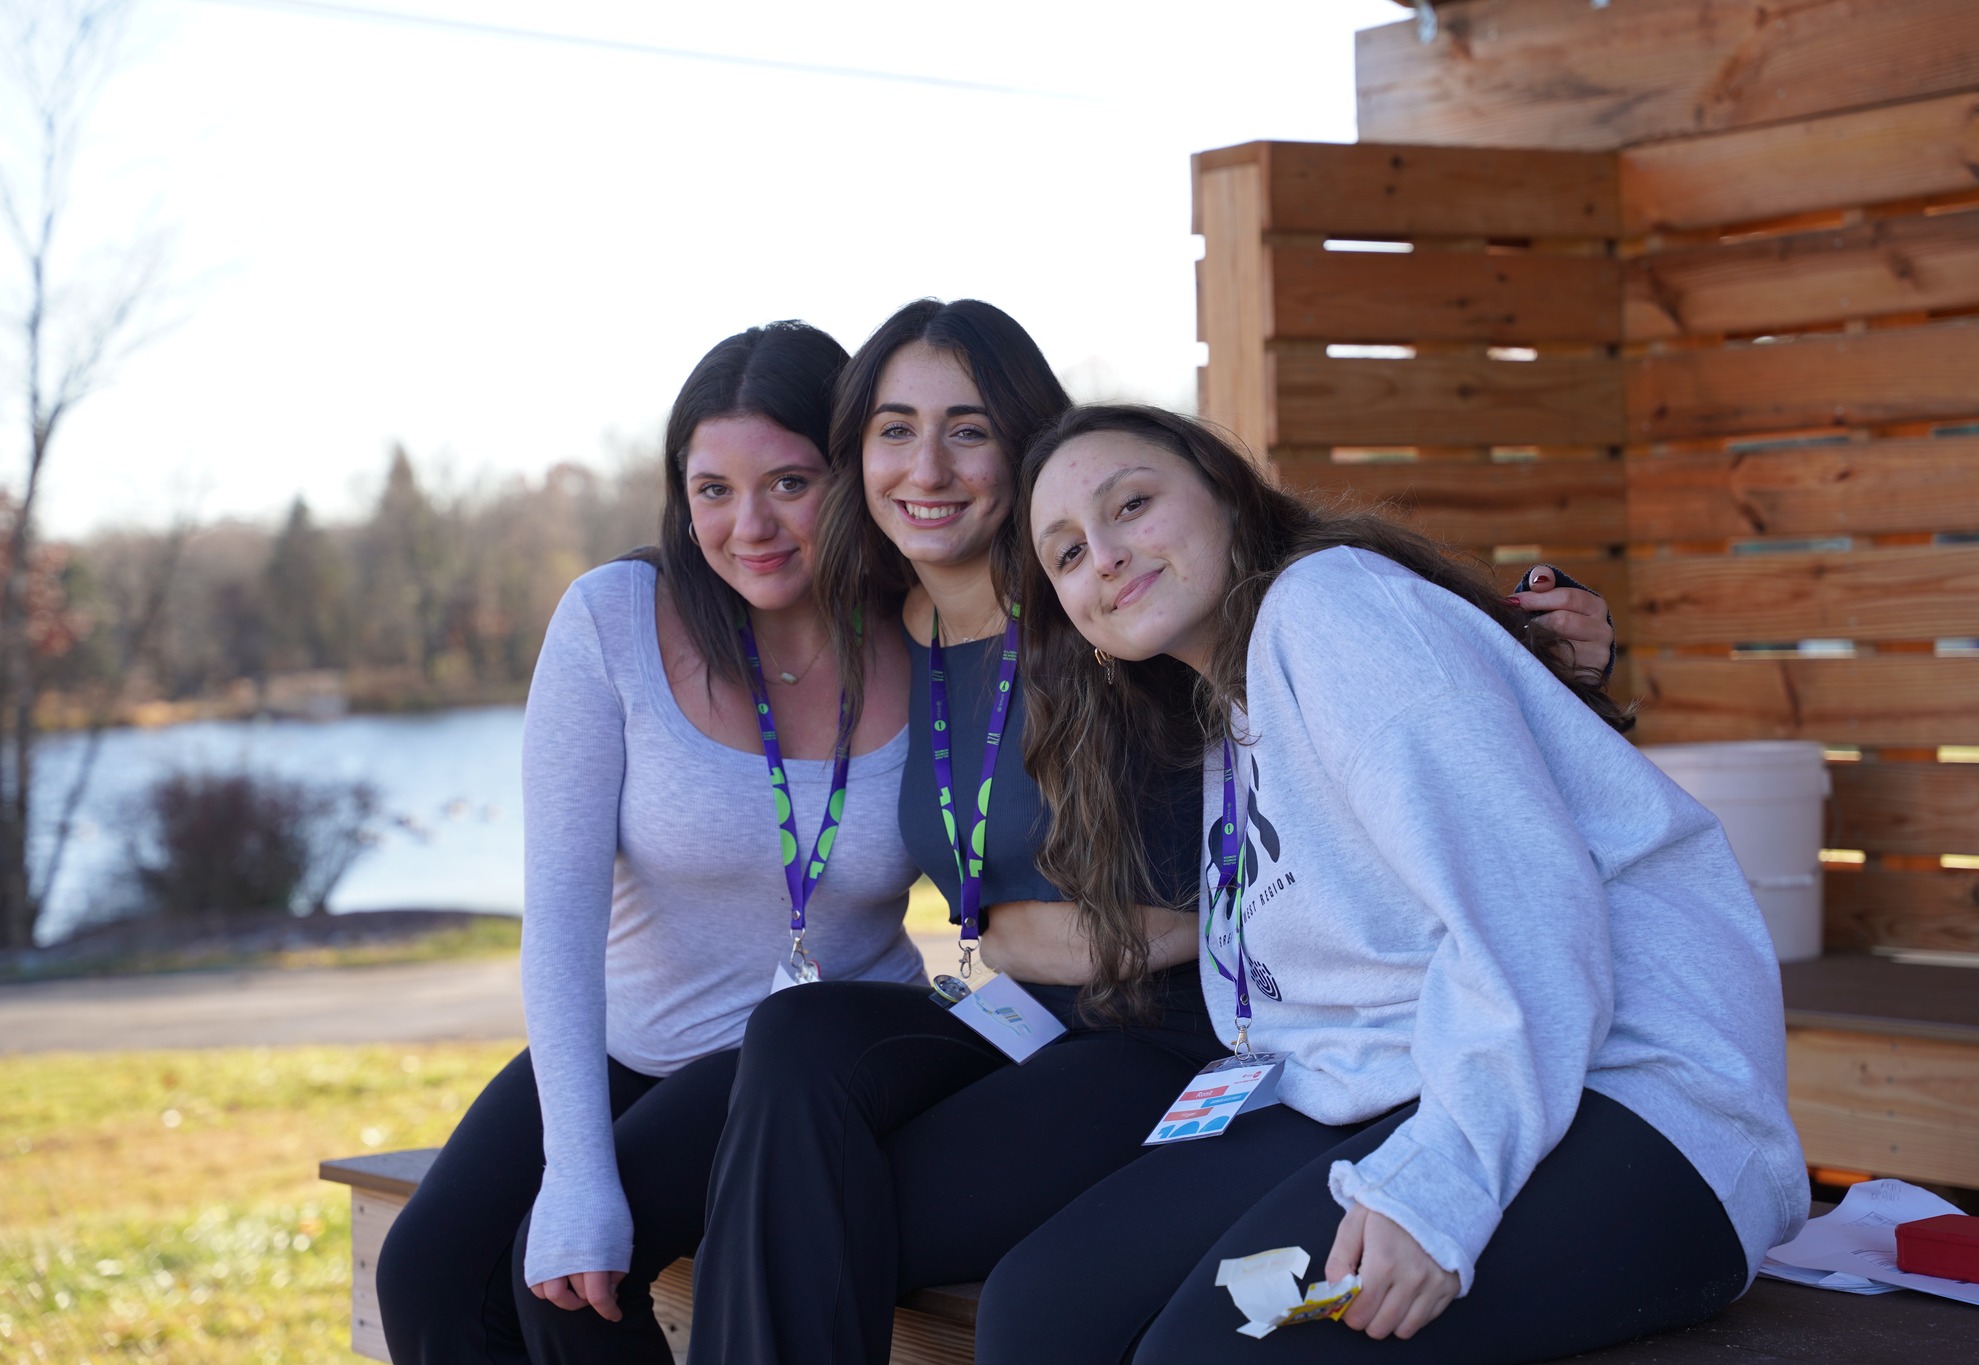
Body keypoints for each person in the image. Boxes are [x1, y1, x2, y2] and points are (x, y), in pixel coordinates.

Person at [682, 302, 1623, 1365]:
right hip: (1010, 1015)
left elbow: (1341, 714)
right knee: (790, 1054)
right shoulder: (889, 624)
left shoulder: (1122, 618)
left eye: (969, 427)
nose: (927, 465)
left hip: (1175, 1029)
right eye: (894, 429)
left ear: (1025, 444)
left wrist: (1554, 652)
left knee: (831, 1225)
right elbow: (740, 561)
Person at [981, 404, 1807, 1364]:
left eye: (1132, 504)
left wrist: (1437, 1184)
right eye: (1069, 553)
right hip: (1410, 1087)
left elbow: (1529, 913)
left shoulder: (1331, 607)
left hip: (1633, 1098)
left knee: (1215, 1352)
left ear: (1232, 499)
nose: (1107, 555)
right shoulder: (1228, 715)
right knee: (1042, 1307)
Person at [374, 321, 927, 1365]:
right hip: (628, 1041)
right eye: (710, 489)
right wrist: (573, 1168)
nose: (747, 525)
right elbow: (565, 911)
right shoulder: (615, 621)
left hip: (815, 1056)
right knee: (426, 1271)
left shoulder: (928, 632)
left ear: (851, 475)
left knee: (575, 1288)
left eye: (789, 484)